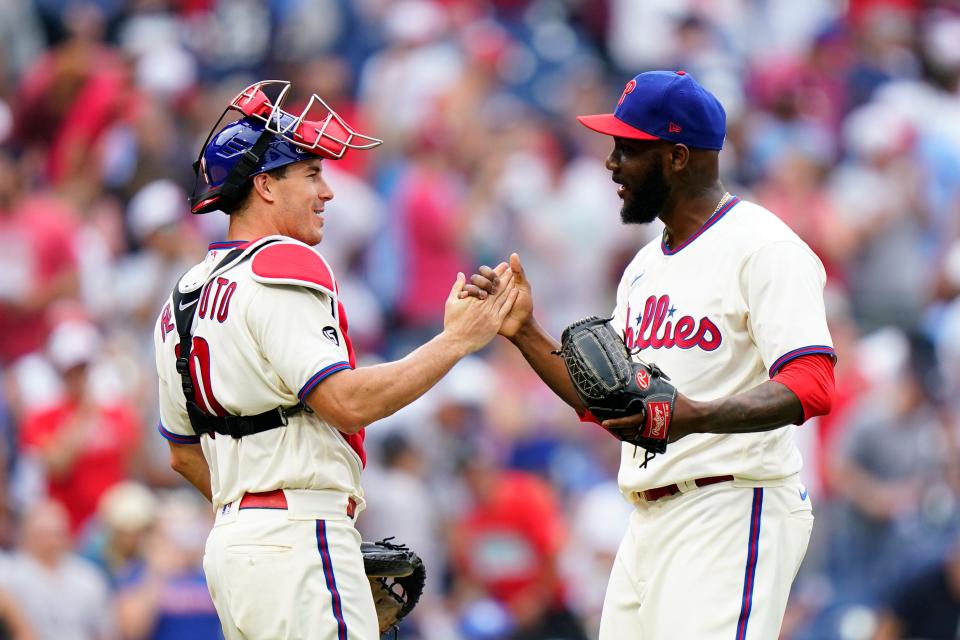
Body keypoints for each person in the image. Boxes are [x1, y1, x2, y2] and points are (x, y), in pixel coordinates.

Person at [463, 70, 836, 639]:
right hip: (647, 519)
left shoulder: (764, 248)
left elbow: (812, 382)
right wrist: (525, 331)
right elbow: (604, 401)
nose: (611, 164)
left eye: (628, 149)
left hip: (731, 505)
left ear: (678, 157)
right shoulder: (644, 266)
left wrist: (697, 415)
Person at [153, 80, 517, 640]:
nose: (327, 192)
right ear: (266, 185)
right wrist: (456, 342)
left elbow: (182, 457)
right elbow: (344, 403)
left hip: (233, 547)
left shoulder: (183, 295)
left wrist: (255, 513)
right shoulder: (284, 263)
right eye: (312, 174)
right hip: (300, 539)